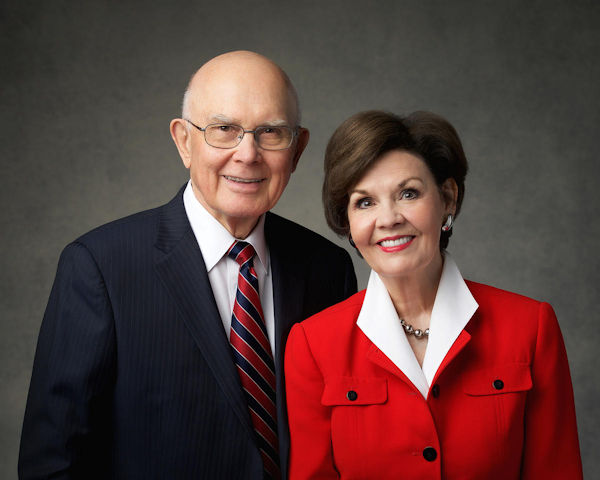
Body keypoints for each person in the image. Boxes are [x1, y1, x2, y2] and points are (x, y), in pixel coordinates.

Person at [18, 51, 357, 480]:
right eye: (223, 130)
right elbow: (54, 463)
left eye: (270, 132)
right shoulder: (100, 267)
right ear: (183, 141)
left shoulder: (328, 268)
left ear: (298, 148)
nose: (247, 153)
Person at [285, 110, 582, 479]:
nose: (388, 218)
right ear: (348, 221)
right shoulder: (313, 345)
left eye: (408, 193)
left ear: (448, 199)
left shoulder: (530, 328)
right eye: (365, 202)